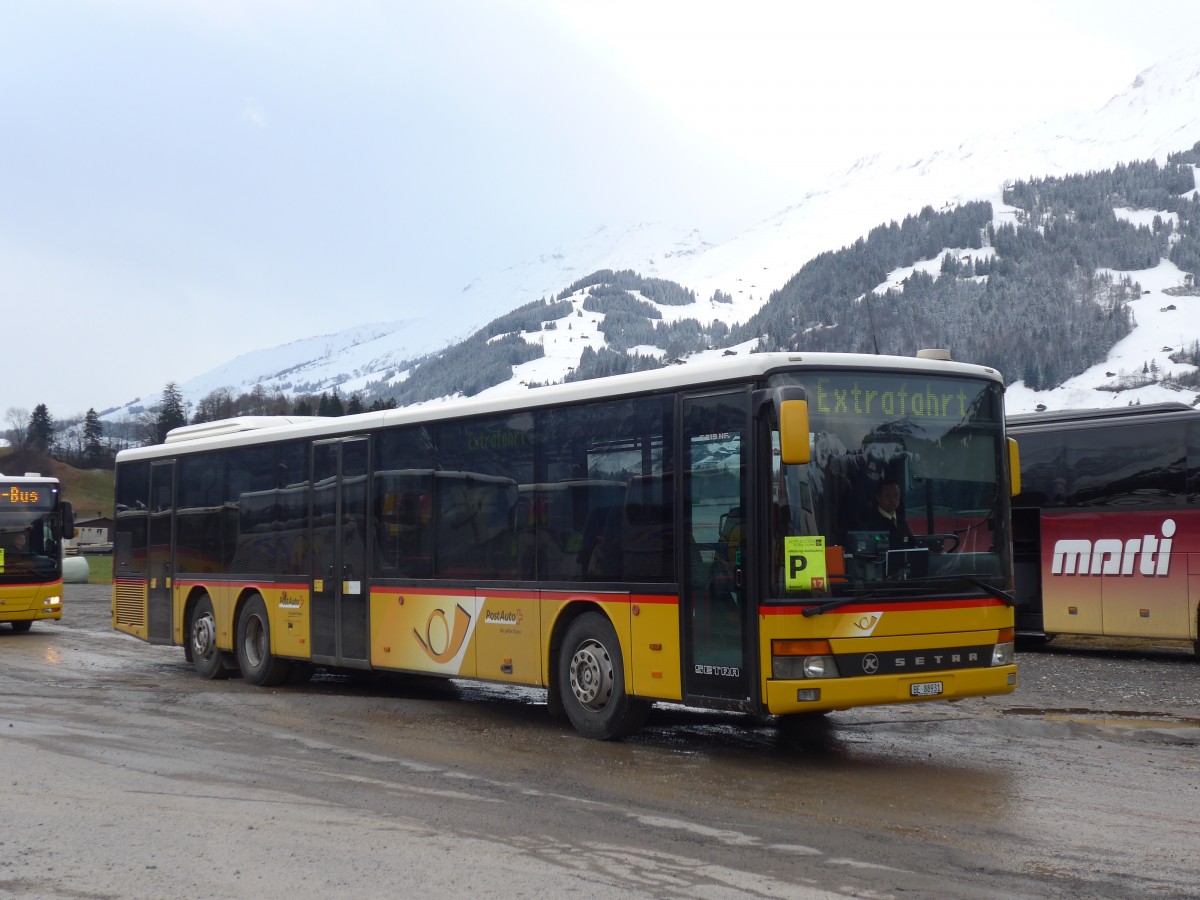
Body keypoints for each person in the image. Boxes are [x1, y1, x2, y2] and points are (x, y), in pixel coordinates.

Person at [864, 481, 913, 549]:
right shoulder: (868, 521)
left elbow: (911, 545)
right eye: (887, 495)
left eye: (896, 495)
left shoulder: (902, 521)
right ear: (878, 497)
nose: (892, 500)